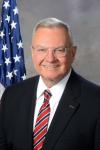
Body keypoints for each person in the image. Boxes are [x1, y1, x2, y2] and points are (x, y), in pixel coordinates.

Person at [0, 17, 100, 150]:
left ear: (73, 52)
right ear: (33, 52)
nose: (50, 58)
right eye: (42, 50)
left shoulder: (96, 101)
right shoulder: (12, 95)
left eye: (59, 50)